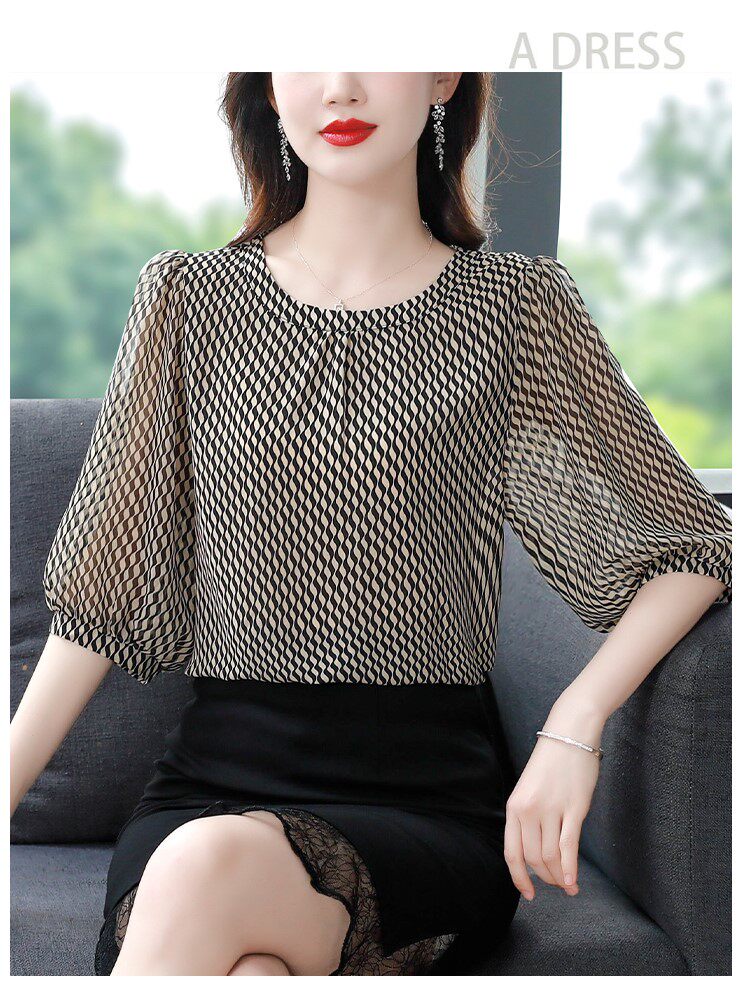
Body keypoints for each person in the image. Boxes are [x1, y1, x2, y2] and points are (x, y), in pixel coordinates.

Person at [10, 72, 732, 977]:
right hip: (210, 787)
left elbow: (692, 544)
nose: (341, 85)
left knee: (202, 871)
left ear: (441, 77)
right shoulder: (187, 298)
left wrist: (572, 724)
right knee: (237, 941)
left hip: (425, 809)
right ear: (270, 88)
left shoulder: (516, 306)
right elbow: (102, 600)